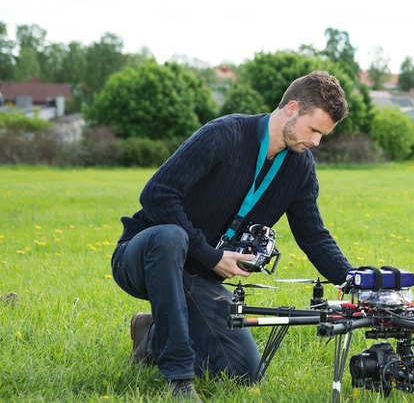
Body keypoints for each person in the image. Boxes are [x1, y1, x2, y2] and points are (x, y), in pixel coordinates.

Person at [111, 71, 354, 400]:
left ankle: (151, 333)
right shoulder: (223, 134)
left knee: (244, 372)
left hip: (197, 276)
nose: (316, 142)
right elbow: (157, 194)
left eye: (323, 135)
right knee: (170, 237)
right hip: (143, 257)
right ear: (292, 108)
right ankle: (178, 378)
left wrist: (354, 279)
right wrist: (211, 255)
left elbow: (313, 235)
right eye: (314, 130)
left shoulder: (300, 167)